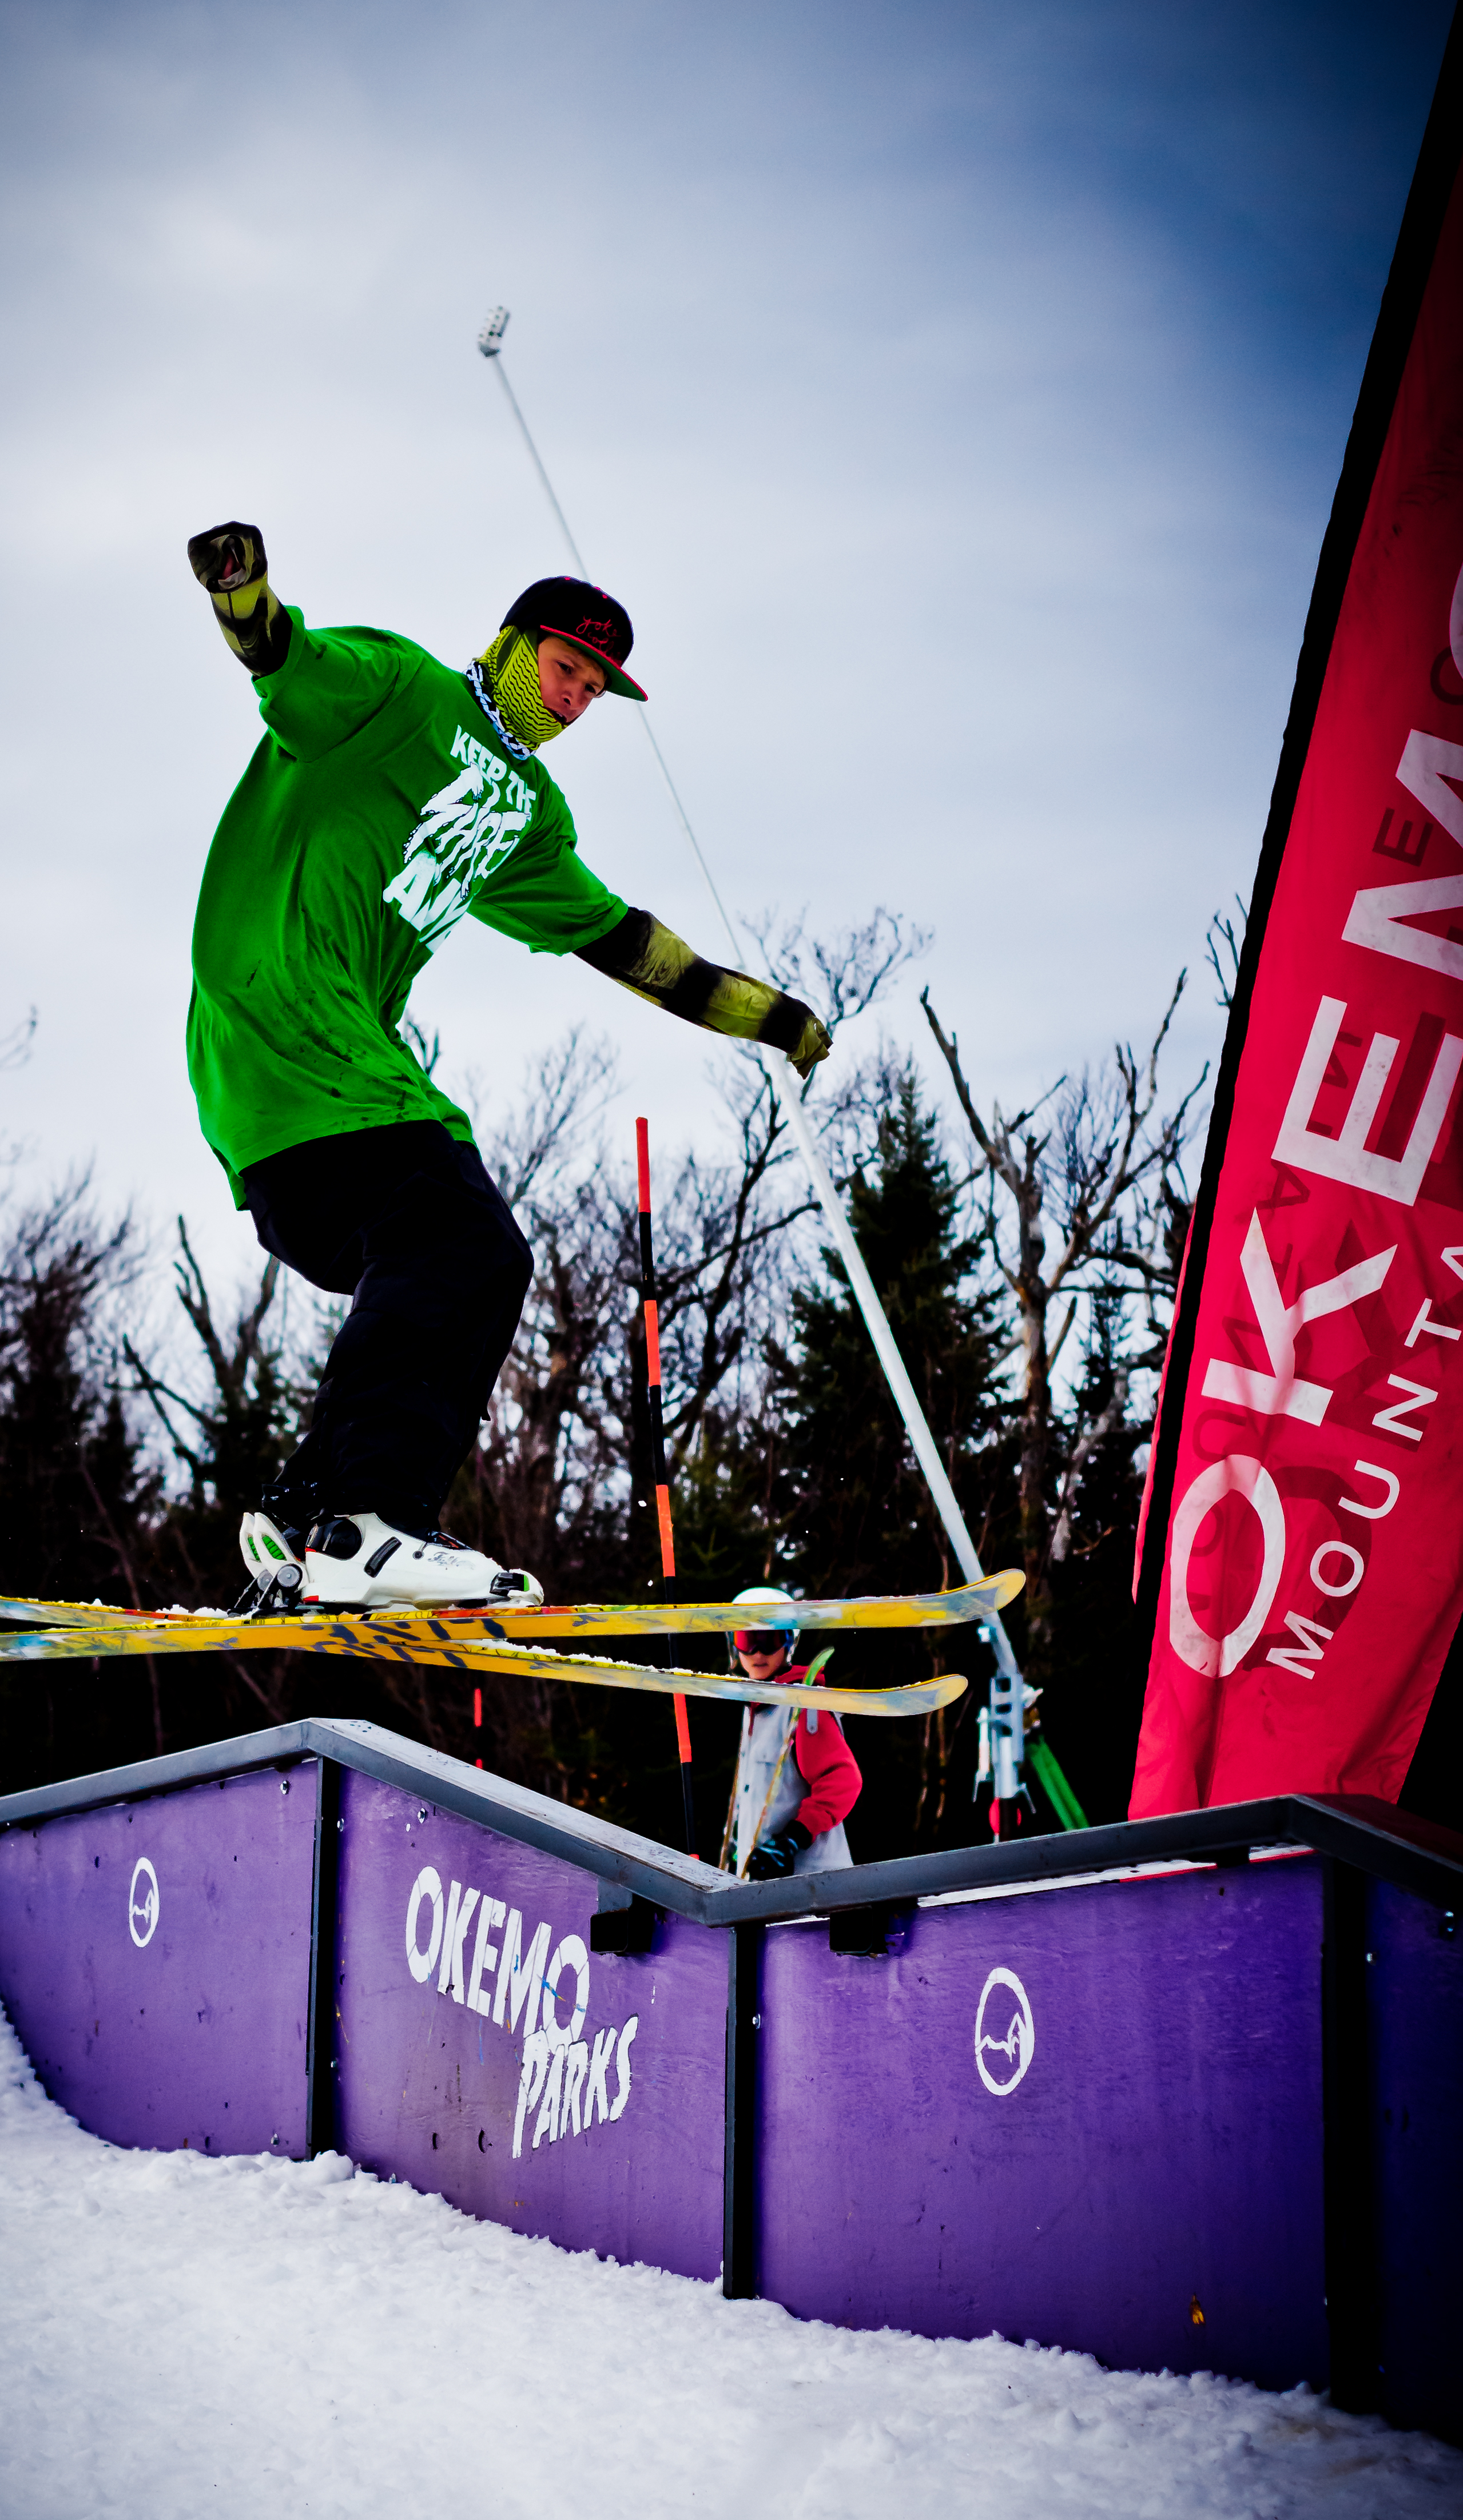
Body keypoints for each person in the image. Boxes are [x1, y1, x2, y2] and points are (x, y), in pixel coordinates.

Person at [185, 525, 832, 1611]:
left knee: (457, 1266)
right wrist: (242, 592)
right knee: (467, 1240)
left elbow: (623, 941)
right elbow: (284, 662)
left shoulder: (527, 814)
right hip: (292, 1017)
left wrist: (771, 1021)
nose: (574, 699)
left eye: (593, 691)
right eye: (565, 668)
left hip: (284, 1105)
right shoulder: (399, 690)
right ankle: (370, 1526)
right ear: (509, 642)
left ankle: (309, 1520)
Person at [721, 1585, 863, 1879]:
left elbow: (843, 1780)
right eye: (748, 1640)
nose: (757, 1653)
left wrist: (792, 1839)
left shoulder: (803, 1706)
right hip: (762, 1890)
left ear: (789, 1642)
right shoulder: (753, 1710)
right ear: (734, 1645)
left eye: (769, 1640)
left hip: (814, 1888)